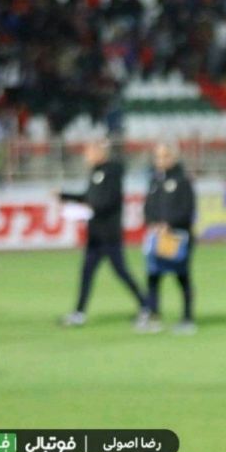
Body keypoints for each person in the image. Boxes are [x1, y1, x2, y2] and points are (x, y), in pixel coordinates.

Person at [58, 139, 148, 326]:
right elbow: (89, 197)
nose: (86, 156)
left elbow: (109, 201)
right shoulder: (95, 173)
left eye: (89, 152)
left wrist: (87, 209)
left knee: (121, 272)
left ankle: (146, 305)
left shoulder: (112, 173)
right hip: (95, 235)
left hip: (109, 234)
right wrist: (64, 195)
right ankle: (79, 313)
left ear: (100, 153)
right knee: (87, 273)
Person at [140, 142, 197, 335]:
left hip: (178, 238)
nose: (160, 160)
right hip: (158, 237)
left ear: (174, 157)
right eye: (158, 156)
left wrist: (169, 224)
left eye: (165, 156)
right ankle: (153, 316)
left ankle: (187, 319)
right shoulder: (154, 181)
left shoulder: (183, 180)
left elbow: (188, 210)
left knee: (182, 277)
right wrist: (153, 223)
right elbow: (148, 207)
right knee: (153, 277)